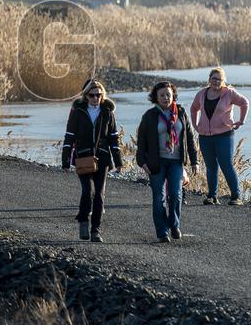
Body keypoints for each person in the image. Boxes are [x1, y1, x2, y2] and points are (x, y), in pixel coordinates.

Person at [136, 81, 199, 243]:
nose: (165, 98)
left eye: (168, 95)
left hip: (176, 161)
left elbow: (190, 139)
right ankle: (162, 232)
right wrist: (142, 162)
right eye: (162, 95)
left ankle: (174, 225)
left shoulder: (181, 113)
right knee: (159, 198)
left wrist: (194, 161)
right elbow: (141, 140)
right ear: (156, 97)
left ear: (173, 96)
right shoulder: (150, 116)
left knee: (176, 195)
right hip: (156, 162)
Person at [61, 79, 122, 242]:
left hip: (102, 158)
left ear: (102, 95)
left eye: (98, 94)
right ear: (85, 95)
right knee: (88, 192)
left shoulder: (107, 112)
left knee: (99, 195)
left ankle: (95, 230)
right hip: (82, 156)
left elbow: (114, 138)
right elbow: (69, 136)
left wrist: (118, 161)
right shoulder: (78, 111)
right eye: (92, 95)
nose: (95, 98)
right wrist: (65, 160)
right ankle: (82, 220)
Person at [190, 67, 249, 206]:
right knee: (211, 167)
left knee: (226, 165)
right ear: (209, 79)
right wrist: (195, 125)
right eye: (214, 78)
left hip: (224, 135)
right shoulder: (202, 94)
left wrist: (241, 121)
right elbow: (194, 108)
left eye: (219, 79)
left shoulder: (229, 93)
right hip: (205, 136)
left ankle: (236, 197)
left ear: (223, 81)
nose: (216, 81)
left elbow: (244, 102)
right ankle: (212, 196)